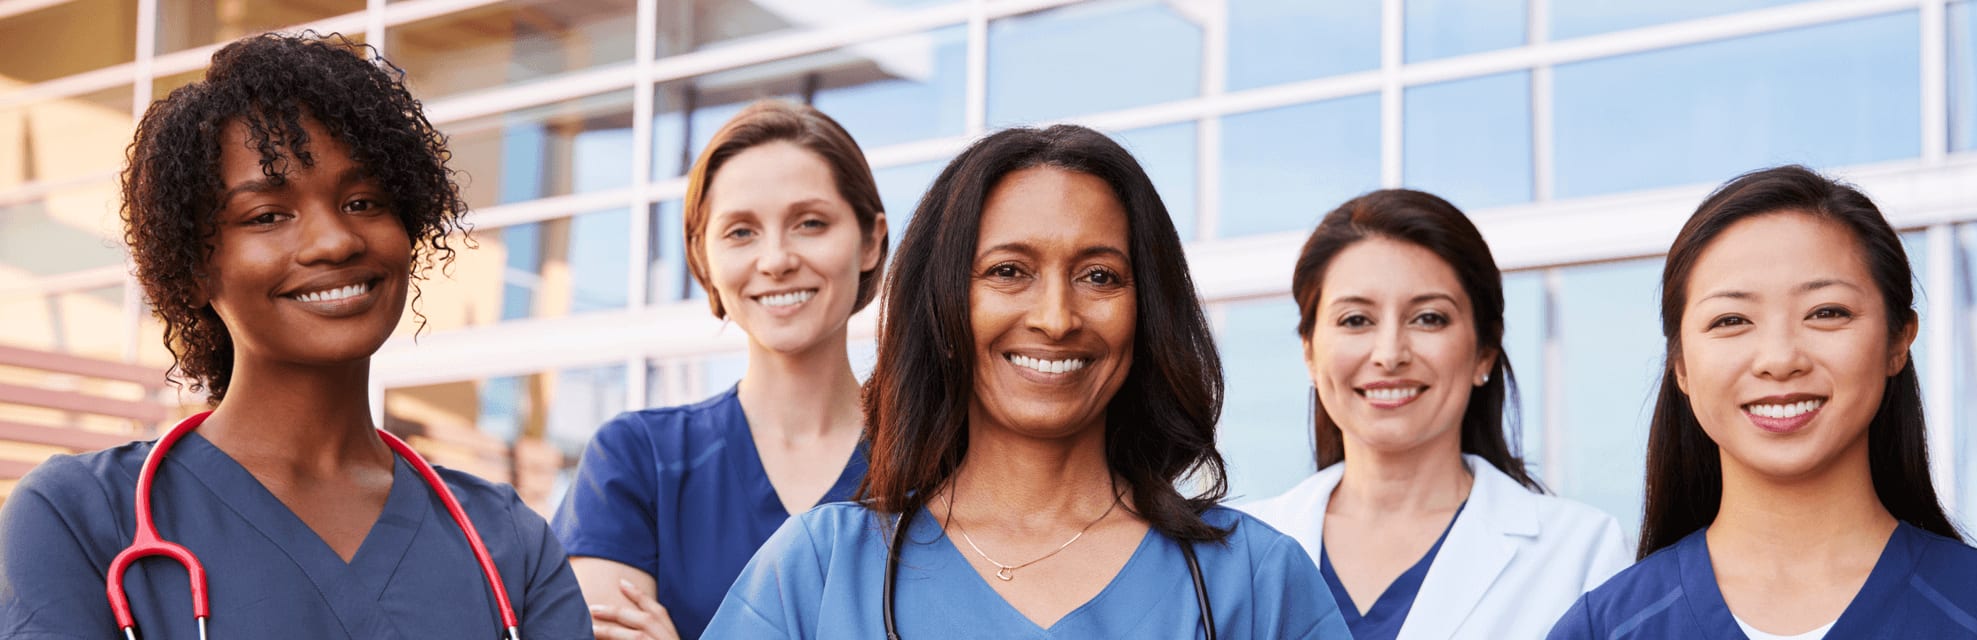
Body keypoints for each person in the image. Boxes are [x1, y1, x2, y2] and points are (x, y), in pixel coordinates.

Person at [0, 33, 592, 639]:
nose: (336, 240)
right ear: (194, 268)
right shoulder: (79, 516)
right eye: (267, 216)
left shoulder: (509, 542)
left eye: (364, 201)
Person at [702, 124, 1346, 638]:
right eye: (1009, 271)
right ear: (944, 304)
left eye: (1100, 277)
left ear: (1147, 312)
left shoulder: (1256, 582)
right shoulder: (817, 574)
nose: (1056, 318)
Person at [1548, 166, 1977, 639]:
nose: (1780, 359)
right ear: (1680, 365)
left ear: (1899, 340)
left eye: (1826, 312)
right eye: (1731, 320)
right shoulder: (1606, 628)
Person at [550, 100, 888, 639]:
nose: (776, 259)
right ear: (702, 256)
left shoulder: (937, 458)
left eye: (810, 223)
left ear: (870, 241)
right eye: (740, 232)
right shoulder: (637, 461)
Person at [1239, 190, 1629, 639]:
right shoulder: (1238, 550)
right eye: (1355, 320)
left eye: (1428, 318)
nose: (1389, 354)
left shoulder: (1582, 554)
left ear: (1484, 352)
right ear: (1309, 351)